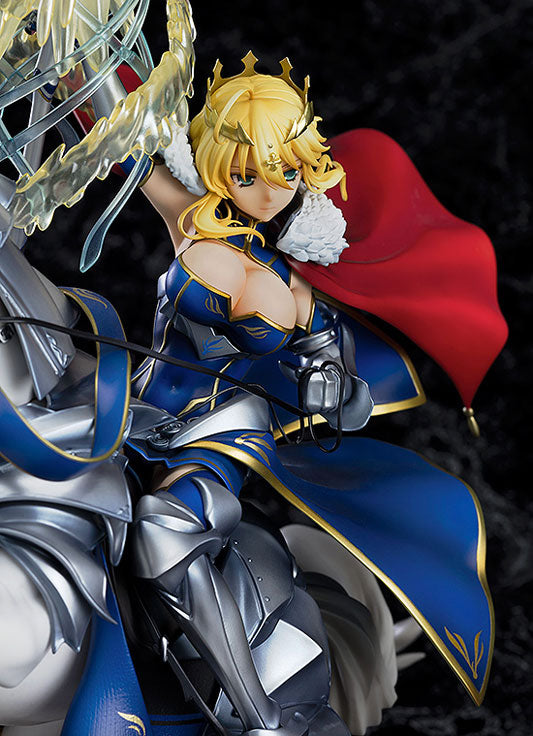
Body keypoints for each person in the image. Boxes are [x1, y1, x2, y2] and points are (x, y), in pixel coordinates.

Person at [123, 50, 503, 732]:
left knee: (162, 533)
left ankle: (260, 713)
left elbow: (348, 400)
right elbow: (123, 139)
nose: (266, 192)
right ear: (216, 168)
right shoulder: (192, 223)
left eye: (282, 172)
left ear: (304, 168)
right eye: (245, 175)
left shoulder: (300, 292)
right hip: (133, 407)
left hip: (216, 433)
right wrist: (73, 69)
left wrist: (330, 388)